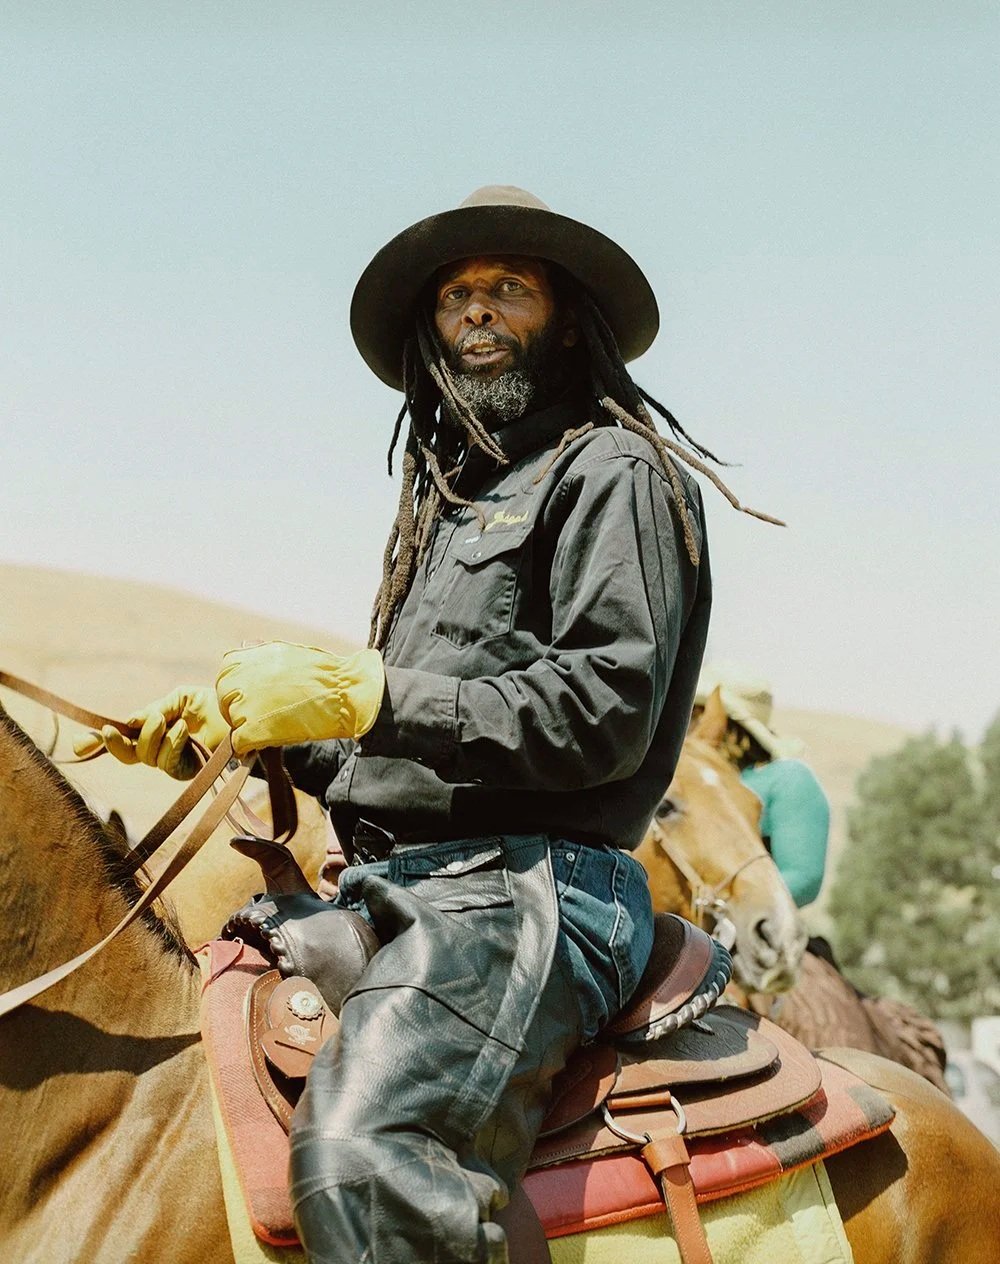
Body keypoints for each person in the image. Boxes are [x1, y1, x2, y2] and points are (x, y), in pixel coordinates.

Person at [77, 186, 771, 1262]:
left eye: (509, 288)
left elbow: (605, 713)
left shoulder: (613, 472)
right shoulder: (445, 509)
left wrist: (371, 693)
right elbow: (410, 755)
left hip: (538, 894)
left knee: (363, 1158)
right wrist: (245, 731)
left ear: (569, 317)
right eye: (456, 297)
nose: (478, 312)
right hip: (401, 885)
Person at [693, 661, 830, 908]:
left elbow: (803, 877)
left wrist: (724, 904)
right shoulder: (686, 779)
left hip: (750, 930)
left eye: (694, 714)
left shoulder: (788, 780)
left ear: (724, 724)